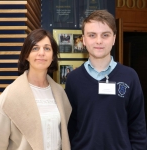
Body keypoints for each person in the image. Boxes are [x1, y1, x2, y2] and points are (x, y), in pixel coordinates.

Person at [65, 10, 147, 150]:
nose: (99, 41)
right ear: (84, 40)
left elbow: (138, 126)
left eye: (105, 35)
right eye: (92, 35)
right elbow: (70, 127)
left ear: (114, 39)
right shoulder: (73, 79)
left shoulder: (130, 76)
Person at [0, 28, 71, 150]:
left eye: (47, 48)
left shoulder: (59, 93)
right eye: (35, 48)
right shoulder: (10, 95)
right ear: (26, 55)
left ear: (52, 56)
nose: (41, 53)